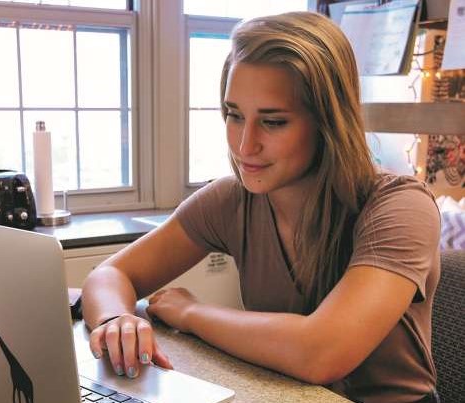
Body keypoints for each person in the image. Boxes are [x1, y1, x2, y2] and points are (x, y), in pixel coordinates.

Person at [82, 11, 440, 403]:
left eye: (273, 122)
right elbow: (110, 274)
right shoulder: (230, 199)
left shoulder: (399, 206)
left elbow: (320, 353)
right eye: (234, 115)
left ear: (328, 122)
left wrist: (190, 313)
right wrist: (117, 320)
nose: (244, 145)